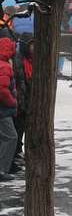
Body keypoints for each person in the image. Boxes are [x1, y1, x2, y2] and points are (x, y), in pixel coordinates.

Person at [11, 36, 33, 171]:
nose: (33, 48)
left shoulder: (33, 60)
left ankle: (18, 153)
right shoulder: (19, 61)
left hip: (28, 100)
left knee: (23, 129)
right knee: (17, 130)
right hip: (20, 101)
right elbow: (20, 83)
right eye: (31, 45)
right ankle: (15, 155)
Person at [0, 37, 18, 181]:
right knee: (11, 137)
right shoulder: (5, 66)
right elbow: (2, 90)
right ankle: (2, 169)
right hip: (3, 109)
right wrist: (12, 102)